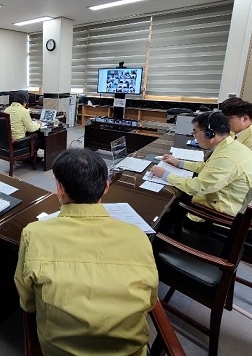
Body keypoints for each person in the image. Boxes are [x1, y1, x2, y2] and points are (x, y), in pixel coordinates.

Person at [14, 149, 158, 355]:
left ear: (59, 189)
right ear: (106, 188)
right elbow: (150, 301)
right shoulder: (138, 237)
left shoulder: (34, 234)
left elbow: (28, 303)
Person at [150, 111, 252, 222]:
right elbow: (208, 167)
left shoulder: (225, 158)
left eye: (195, 132)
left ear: (209, 133)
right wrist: (179, 163)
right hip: (238, 207)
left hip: (229, 218)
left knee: (165, 211)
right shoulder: (231, 146)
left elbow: (195, 188)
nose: (194, 136)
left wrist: (164, 174)